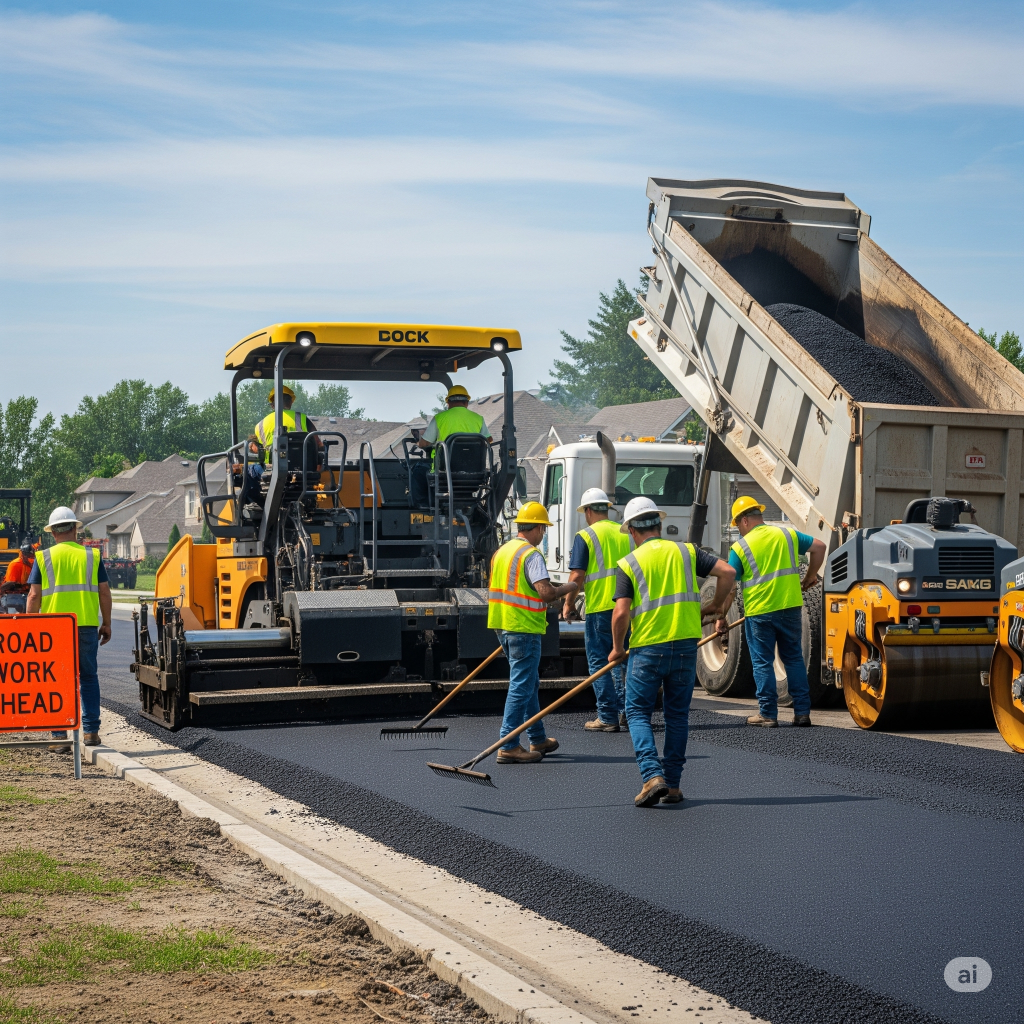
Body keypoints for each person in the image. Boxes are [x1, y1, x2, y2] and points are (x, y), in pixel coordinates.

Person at [610, 497, 736, 807]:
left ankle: (652, 775)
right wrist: (717, 606)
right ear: (658, 524)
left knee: (637, 712)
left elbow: (621, 612)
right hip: (684, 646)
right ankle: (674, 785)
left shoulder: (629, 563)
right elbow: (728, 572)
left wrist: (616, 648)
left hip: (648, 648)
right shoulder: (687, 551)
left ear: (631, 531)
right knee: (677, 716)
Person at [718, 496, 827, 728]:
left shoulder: (740, 548)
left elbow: (729, 588)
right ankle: (802, 713)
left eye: (738, 525)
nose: (739, 531)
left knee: (762, 663)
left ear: (744, 520)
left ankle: (768, 714)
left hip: (760, 612)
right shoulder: (786, 535)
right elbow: (819, 547)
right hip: (790, 607)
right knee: (794, 659)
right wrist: (810, 576)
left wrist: (721, 617)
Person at [488, 502, 578, 764]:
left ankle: (537, 738)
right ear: (538, 528)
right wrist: (571, 587)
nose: (543, 534)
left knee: (529, 683)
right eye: (544, 529)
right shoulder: (531, 554)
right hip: (523, 627)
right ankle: (508, 744)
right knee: (521, 686)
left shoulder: (502, 552)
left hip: (503, 624)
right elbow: (546, 593)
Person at [26, 507, 112, 751]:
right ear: (75, 529)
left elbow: (33, 596)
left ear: (53, 533)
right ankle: (91, 732)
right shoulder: (91, 555)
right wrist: (106, 623)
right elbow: (104, 591)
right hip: (85, 625)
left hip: (53, 629)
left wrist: (30, 628)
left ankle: (59, 736)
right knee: (88, 677)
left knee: (57, 679)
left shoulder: (43, 557)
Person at [563, 487, 632, 731]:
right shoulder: (626, 533)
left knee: (600, 663)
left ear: (588, 511)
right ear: (607, 509)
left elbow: (577, 575)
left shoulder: (585, 536)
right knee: (623, 660)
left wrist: (568, 603)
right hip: (629, 607)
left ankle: (607, 716)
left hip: (601, 608)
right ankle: (627, 713)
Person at [412, 385, 491, 507]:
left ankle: (422, 505)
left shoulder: (440, 418)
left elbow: (424, 443)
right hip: (474, 474)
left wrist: (420, 442)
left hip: (444, 474)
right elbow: (488, 440)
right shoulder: (478, 419)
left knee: (418, 469)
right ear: (466, 403)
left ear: (448, 403)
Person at [1, 541, 36, 613]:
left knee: (15, 617)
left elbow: (11, 582)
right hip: (20, 596)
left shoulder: (17, 564)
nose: (31, 557)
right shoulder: (20, 564)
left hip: (17, 597)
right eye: (29, 555)